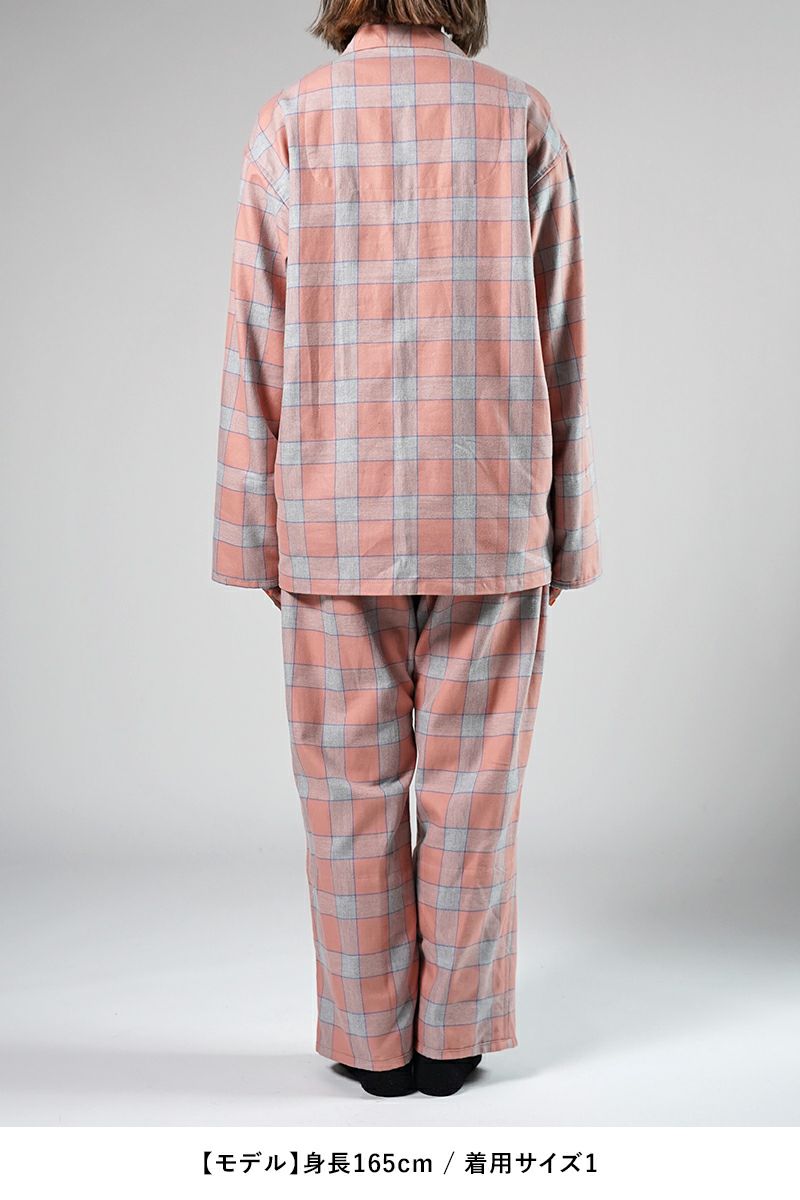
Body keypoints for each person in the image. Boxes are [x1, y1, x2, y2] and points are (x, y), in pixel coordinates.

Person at [211, 0, 601, 1098]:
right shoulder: (518, 118)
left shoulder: (292, 120)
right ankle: (451, 1040)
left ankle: (370, 1041)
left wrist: (253, 534)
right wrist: (565, 530)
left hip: (332, 513)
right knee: (476, 792)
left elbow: (255, 335)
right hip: (490, 512)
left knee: (347, 793)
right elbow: (560, 335)